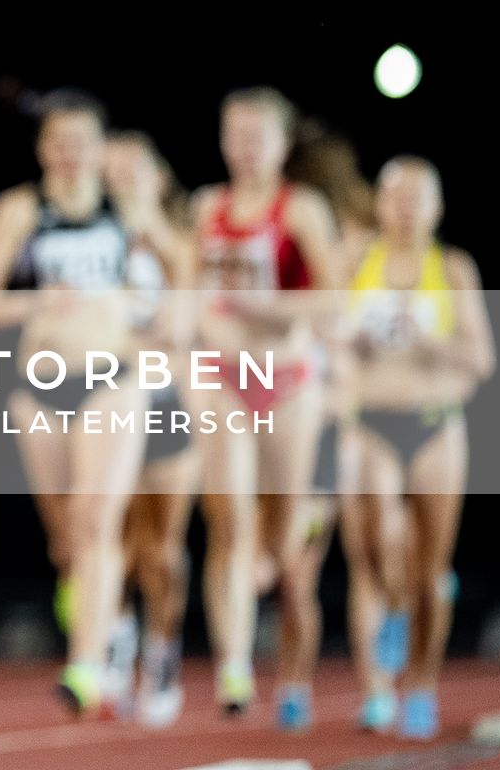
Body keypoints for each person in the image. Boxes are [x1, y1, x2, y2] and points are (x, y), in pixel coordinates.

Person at [0, 91, 146, 718]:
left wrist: (154, 315)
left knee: (96, 519)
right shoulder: (19, 210)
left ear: (101, 148)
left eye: (82, 143)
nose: (69, 156)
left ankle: (85, 665)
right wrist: (40, 302)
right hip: (38, 387)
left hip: (112, 378)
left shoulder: (129, 208)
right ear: (43, 149)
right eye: (58, 143)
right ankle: (110, 624)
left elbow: (181, 269)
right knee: (67, 538)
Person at [187, 87, 339, 724]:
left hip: (287, 376)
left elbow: (333, 300)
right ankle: (235, 667)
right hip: (222, 372)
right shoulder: (206, 207)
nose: (245, 149)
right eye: (235, 134)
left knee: (277, 545)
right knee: (230, 522)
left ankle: (290, 535)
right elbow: (189, 287)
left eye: (258, 136)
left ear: (282, 144)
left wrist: (269, 310)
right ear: (222, 139)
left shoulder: (300, 209)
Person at [336, 157, 494, 740]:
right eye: (395, 196)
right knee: (374, 543)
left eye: (417, 198)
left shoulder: (451, 269)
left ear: (436, 208)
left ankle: (420, 687)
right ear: (379, 204)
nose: (404, 208)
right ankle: (378, 684)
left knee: (431, 569)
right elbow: (325, 339)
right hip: (370, 421)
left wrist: (435, 343)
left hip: (434, 423)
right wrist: (348, 343)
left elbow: (481, 360)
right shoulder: (357, 262)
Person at [102, 130, 199, 727]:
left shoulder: (179, 244)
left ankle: (162, 650)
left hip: (166, 400)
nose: (123, 181)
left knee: (161, 547)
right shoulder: (94, 241)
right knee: (109, 538)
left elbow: (180, 321)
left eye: (134, 170)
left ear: (158, 179)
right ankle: (115, 638)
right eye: (112, 172)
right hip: (107, 400)